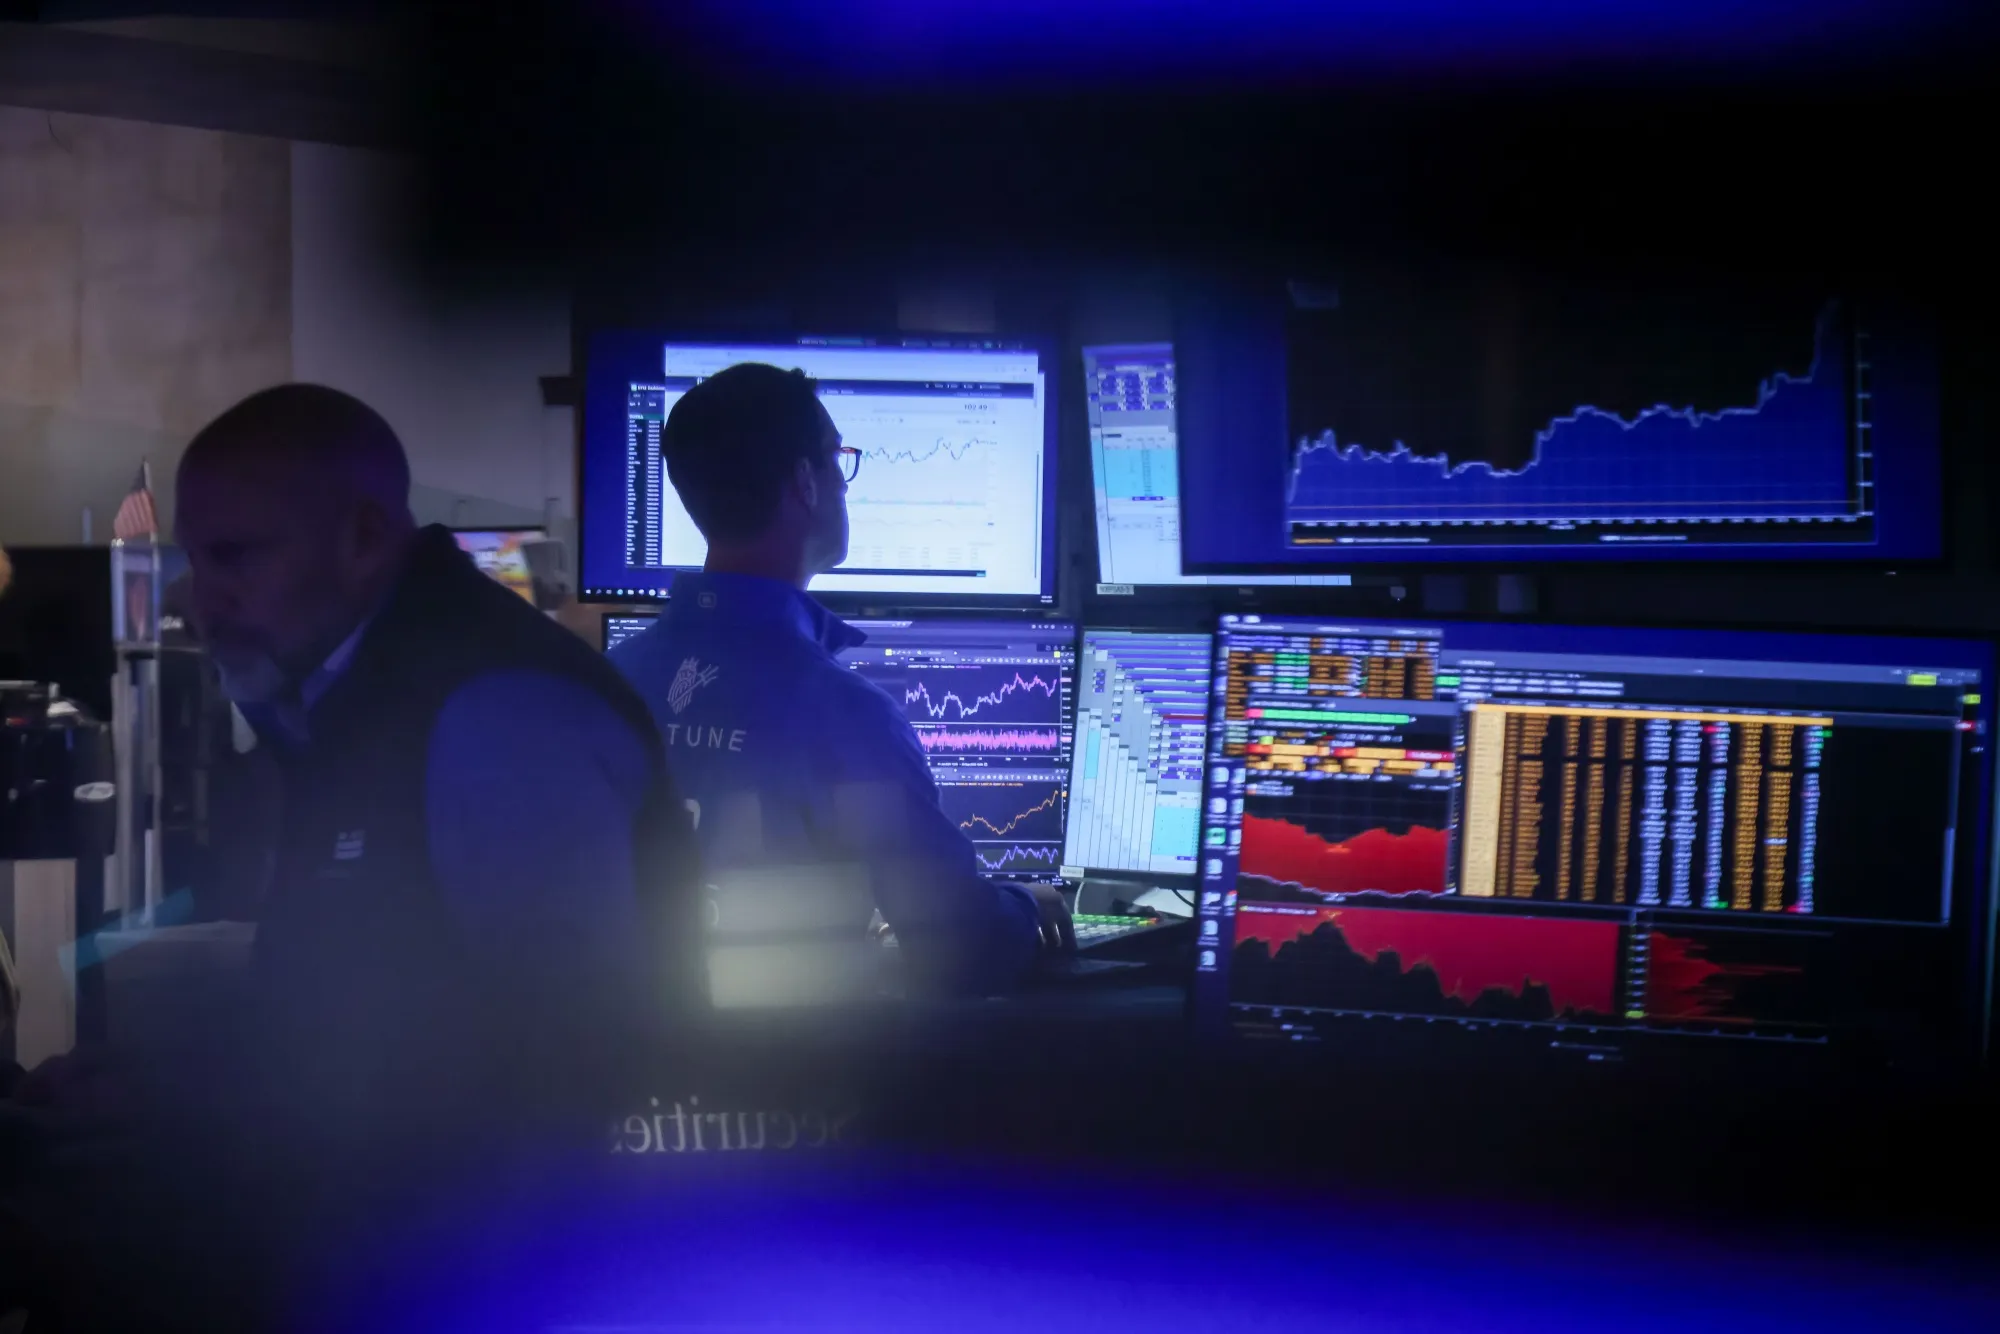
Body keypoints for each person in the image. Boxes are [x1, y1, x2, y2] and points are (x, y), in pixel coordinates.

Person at [5, 386, 703, 1327]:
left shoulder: (492, 714)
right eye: (196, 560)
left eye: (237, 558)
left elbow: (562, 1065)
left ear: (365, 535)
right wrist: (177, 1082)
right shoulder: (352, 692)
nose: (204, 600)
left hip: (473, 1270)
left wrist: (208, 1116)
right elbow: (367, 995)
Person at [611, 363, 1070, 1000]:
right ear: (805, 480)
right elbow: (962, 950)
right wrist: (1032, 907)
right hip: (792, 1086)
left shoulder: (604, 683)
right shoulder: (843, 717)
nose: (844, 483)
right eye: (839, 459)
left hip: (628, 1078)